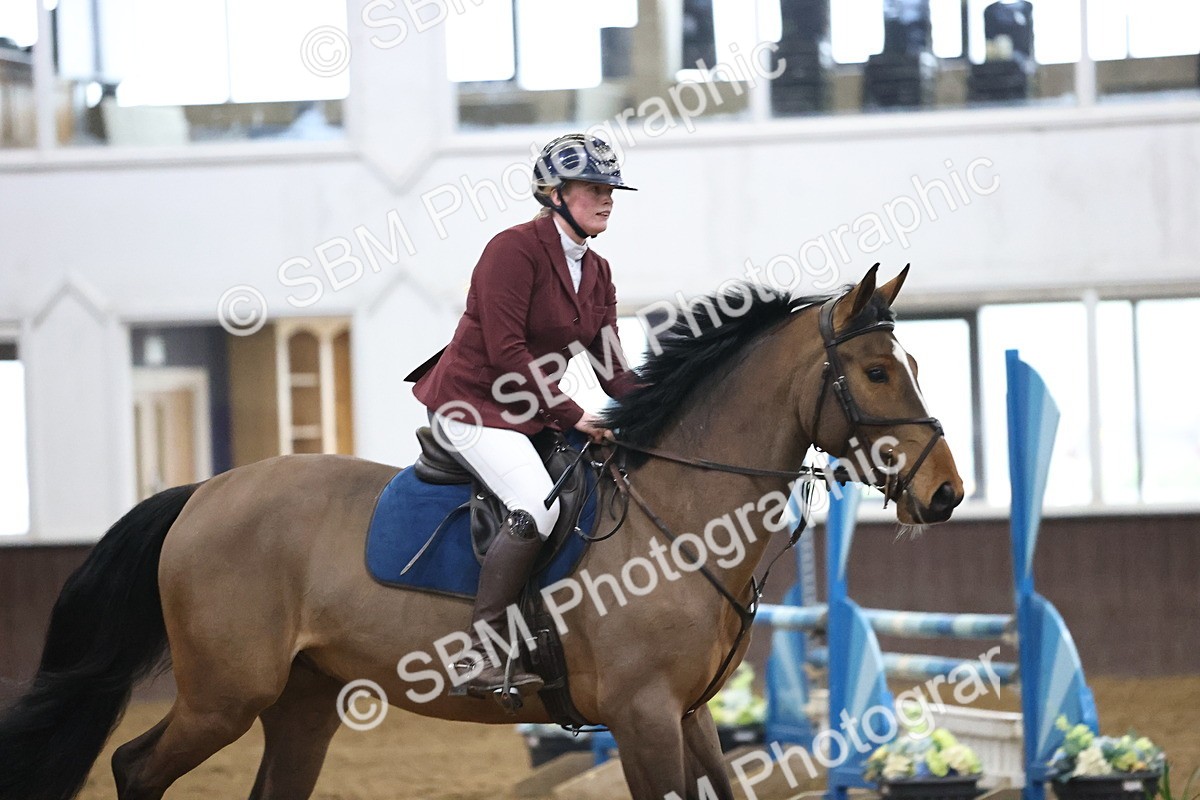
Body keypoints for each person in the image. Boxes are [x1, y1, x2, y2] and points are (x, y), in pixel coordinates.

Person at [409, 133, 640, 699]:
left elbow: (611, 365)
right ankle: (479, 653)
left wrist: (661, 408)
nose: (607, 199)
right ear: (555, 194)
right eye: (593, 188)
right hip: (471, 405)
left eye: (611, 189)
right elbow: (506, 350)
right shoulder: (512, 250)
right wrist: (572, 412)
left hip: (528, 412)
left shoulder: (598, 271)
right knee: (537, 504)